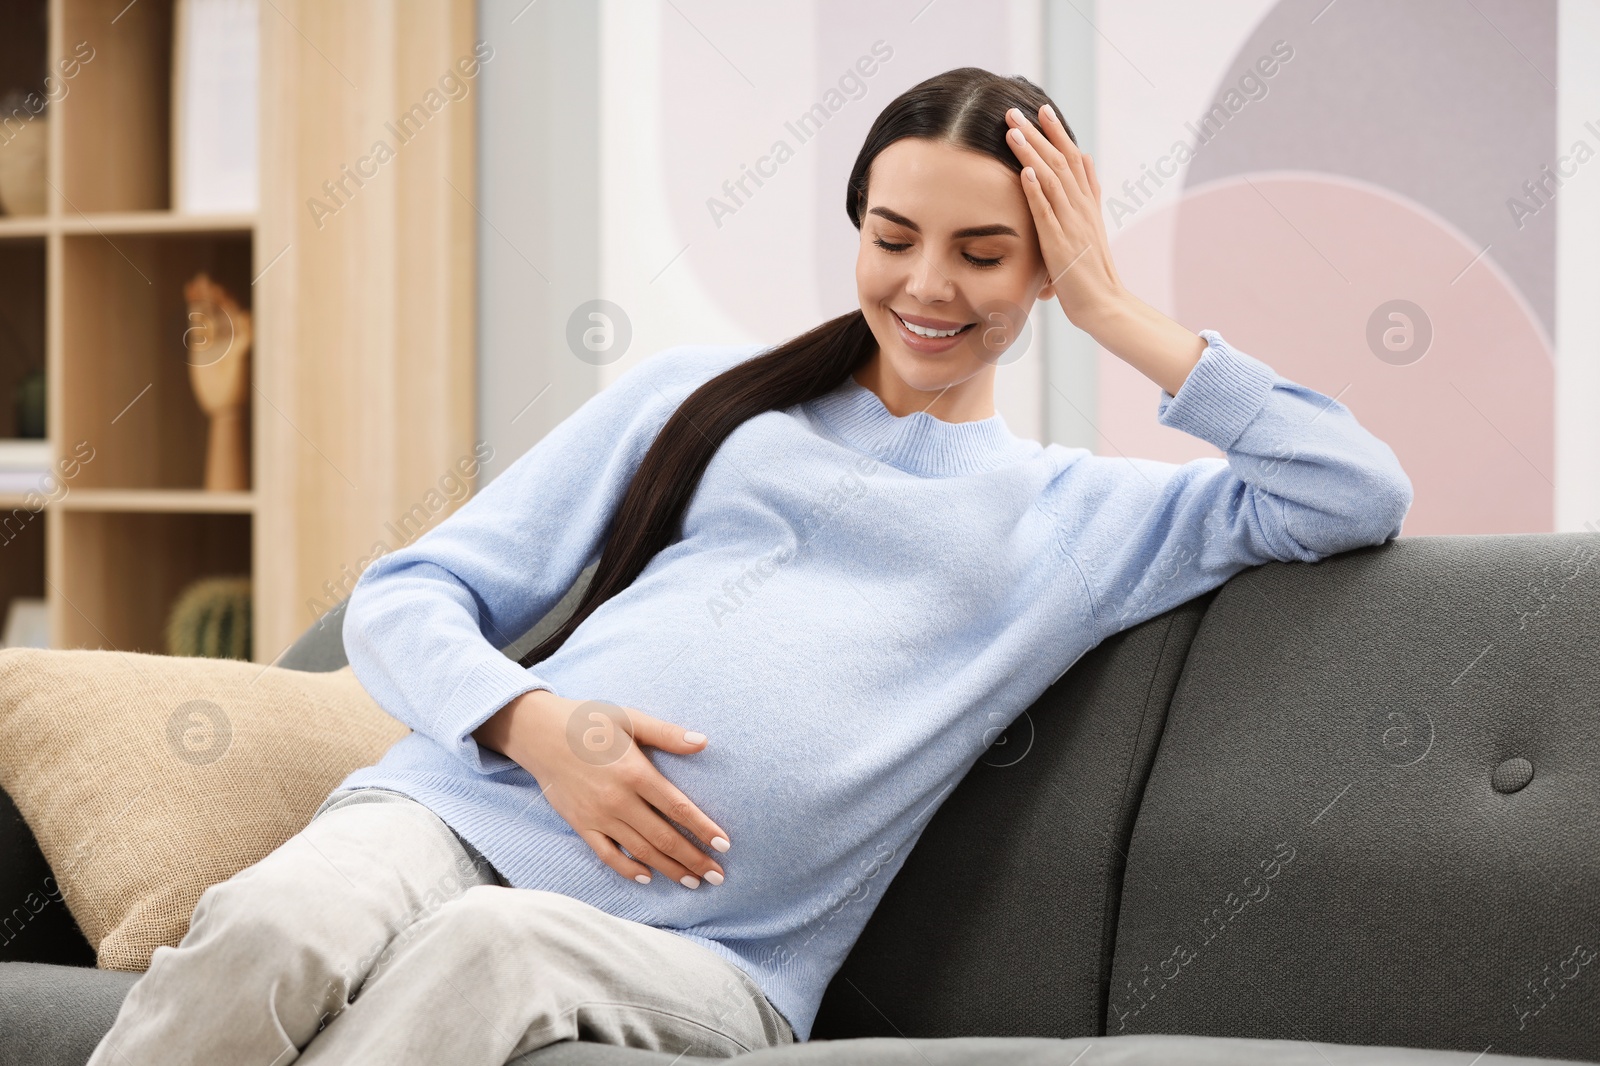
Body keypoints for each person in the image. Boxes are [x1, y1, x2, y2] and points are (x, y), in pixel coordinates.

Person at [89, 66, 1412, 1065]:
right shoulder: (702, 399)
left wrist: (1119, 310)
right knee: (270, 928)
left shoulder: (1085, 519)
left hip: (715, 952)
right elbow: (405, 596)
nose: (928, 283)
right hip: (458, 806)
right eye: (894, 236)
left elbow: (1350, 488)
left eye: (984, 251)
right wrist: (537, 723)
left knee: (479, 949)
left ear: (1047, 268)